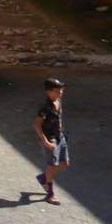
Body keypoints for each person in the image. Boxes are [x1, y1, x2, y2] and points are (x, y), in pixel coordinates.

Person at [34, 77, 69, 205]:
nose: (60, 92)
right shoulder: (45, 107)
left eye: (61, 90)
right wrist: (45, 142)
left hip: (60, 136)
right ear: (49, 91)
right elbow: (37, 124)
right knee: (53, 165)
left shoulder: (58, 101)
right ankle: (50, 193)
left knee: (64, 163)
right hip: (50, 139)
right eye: (57, 90)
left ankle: (43, 177)